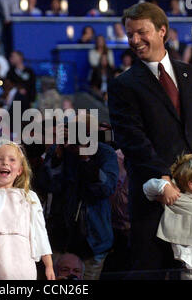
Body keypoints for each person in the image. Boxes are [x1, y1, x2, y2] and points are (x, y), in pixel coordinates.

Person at [107, 2, 192, 280]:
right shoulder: (124, 85)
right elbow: (132, 140)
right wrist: (164, 177)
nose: (134, 40)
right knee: (154, 272)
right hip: (156, 199)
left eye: (141, 32)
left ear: (162, 31)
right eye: (129, 34)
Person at [41, 114, 119, 280]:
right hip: (60, 237)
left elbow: (106, 189)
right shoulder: (59, 151)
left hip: (93, 240)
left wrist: (85, 157)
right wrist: (58, 158)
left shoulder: (105, 153)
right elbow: (48, 185)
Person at [0, 140, 55, 280]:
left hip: (23, 259)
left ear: (19, 170)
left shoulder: (29, 197)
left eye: (11, 159)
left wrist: (49, 265)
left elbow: (40, 233)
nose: (5, 163)